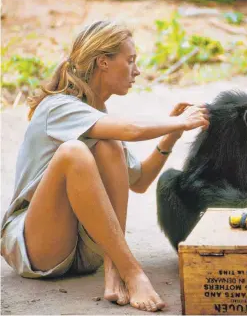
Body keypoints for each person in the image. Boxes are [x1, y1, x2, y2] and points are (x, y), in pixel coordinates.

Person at [0, 20, 209, 312]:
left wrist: (172, 135)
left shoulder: (98, 117)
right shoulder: (58, 107)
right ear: (103, 62)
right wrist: (179, 121)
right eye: (131, 60)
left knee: (109, 145)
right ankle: (131, 271)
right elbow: (132, 129)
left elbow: (139, 181)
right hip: (39, 246)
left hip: (87, 251)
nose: (136, 71)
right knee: (74, 152)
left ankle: (114, 268)